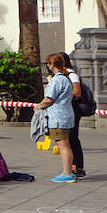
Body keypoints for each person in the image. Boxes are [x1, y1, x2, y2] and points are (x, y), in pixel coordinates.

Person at [39, 52, 77, 183]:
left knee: (63, 144)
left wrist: (39, 106)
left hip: (58, 116)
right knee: (64, 144)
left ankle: (67, 173)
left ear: (52, 65)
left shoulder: (57, 80)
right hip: (65, 114)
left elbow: (49, 98)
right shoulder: (65, 78)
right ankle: (68, 171)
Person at [61, 53, 88, 179]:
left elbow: (77, 92)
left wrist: (63, 91)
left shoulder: (72, 75)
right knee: (68, 138)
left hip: (74, 109)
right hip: (67, 109)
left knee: (72, 138)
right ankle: (72, 166)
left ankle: (79, 167)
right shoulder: (64, 75)